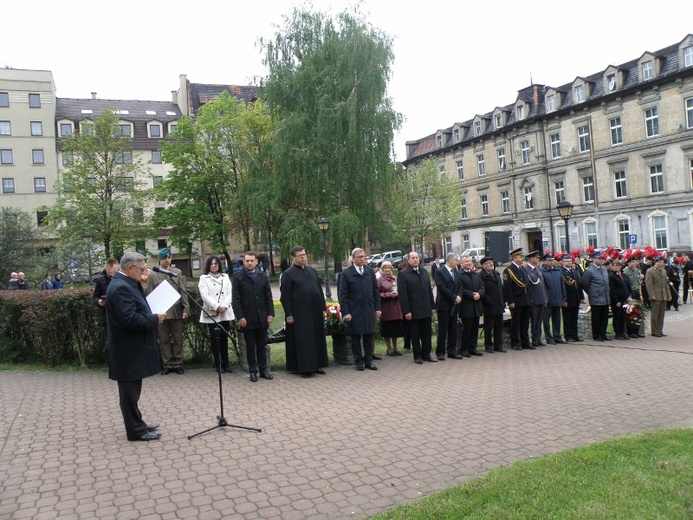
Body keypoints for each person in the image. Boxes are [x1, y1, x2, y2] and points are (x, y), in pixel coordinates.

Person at [106, 251, 166, 442]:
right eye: (142, 268)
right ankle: (135, 431)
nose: (145, 271)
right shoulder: (120, 287)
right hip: (127, 350)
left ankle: (138, 423)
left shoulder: (127, 283)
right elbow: (129, 319)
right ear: (130, 268)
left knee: (133, 391)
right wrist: (154, 319)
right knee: (129, 394)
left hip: (131, 349)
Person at [280, 245, 329, 375]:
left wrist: (323, 307)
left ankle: (318, 364)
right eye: (300, 255)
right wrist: (289, 314)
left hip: (315, 312)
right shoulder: (288, 274)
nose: (303, 257)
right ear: (293, 258)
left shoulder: (312, 271)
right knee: (304, 340)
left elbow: (319, 290)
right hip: (300, 313)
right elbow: (285, 297)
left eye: (304, 254)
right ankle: (305, 367)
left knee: (317, 338)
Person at [146, 248, 190, 375]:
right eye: (165, 258)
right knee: (164, 339)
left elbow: (183, 291)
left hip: (176, 310)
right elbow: (149, 293)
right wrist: (151, 312)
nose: (167, 260)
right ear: (159, 259)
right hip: (160, 312)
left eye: (169, 258)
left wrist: (186, 308)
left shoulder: (176, 272)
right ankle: (167, 364)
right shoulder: (153, 275)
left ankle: (178, 363)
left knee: (178, 339)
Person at [232, 251, 275, 381]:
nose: (249, 263)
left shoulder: (262, 276)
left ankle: (264, 370)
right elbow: (236, 300)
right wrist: (240, 317)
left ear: (256, 262)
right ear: (243, 262)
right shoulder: (238, 277)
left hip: (262, 316)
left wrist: (270, 313)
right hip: (247, 318)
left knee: (261, 345)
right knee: (250, 347)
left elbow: (268, 296)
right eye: (247, 261)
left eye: (252, 260)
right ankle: (253, 371)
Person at [339, 248, 381, 371]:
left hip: (368, 308)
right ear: (353, 259)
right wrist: (346, 312)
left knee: (369, 335)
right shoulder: (347, 274)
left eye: (363, 256)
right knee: (356, 336)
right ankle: (359, 361)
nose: (362, 259)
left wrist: (377, 308)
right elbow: (343, 295)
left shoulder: (369, 271)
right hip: (354, 310)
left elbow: (375, 291)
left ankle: (368, 360)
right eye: (359, 257)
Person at [397, 251, 436, 364]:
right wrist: (406, 311)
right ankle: (417, 355)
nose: (415, 260)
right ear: (408, 260)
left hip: (426, 308)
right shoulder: (404, 274)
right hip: (413, 310)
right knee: (415, 334)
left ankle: (427, 354)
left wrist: (432, 306)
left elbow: (429, 290)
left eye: (417, 258)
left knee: (427, 333)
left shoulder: (424, 271)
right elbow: (403, 295)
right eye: (413, 258)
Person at [199, 255, 235, 374]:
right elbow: (204, 295)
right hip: (213, 312)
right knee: (215, 339)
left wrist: (224, 305)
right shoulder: (204, 278)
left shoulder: (225, 277)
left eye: (216, 264)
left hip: (225, 311)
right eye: (211, 264)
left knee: (224, 338)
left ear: (219, 265)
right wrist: (217, 306)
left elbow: (230, 292)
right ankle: (218, 364)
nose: (214, 266)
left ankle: (226, 363)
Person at [434, 252, 464, 360]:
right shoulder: (439, 272)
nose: (457, 262)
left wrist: (459, 296)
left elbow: (460, 285)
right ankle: (440, 351)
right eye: (456, 260)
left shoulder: (456, 272)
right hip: (444, 304)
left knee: (453, 328)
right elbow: (442, 287)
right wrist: (453, 297)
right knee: (443, 329)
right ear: (450, 260)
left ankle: (452, 351)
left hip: (455, 304)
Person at [503, 248, 532, 350]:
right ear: (515, 258)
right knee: (516, 323)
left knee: (525, 322)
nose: (522, 258)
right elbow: (508, 287)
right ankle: (515, 342)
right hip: (516, 300)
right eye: (521, 257)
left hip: (525, 299)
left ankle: (525, 342)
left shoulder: (522, 269)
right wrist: (510, 301)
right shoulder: (509, 270)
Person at [458, 254, 485, 356]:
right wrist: (471, 295)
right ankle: (464, 349)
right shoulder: (459, 275)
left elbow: (482, 286)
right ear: (461, 264)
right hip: (466, 306)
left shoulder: (475, 274)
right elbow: (461, 289)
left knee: (474, 329)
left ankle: (473, 348)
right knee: (467, 329)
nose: (469, 263)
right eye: (466, 261)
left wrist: (479, 294)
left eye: (470, 261)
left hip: (476, 306)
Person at [581, 251, 611, 341]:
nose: (601, 260)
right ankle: (596, 335)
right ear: (593, 259)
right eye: (598, 258)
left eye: (601, 258)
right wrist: (592, 292)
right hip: (596, 297)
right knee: (596, 317)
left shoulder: (603, 269)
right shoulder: (589, 271)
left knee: (604, 317)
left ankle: (603, 334)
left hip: (605, 297)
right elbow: (585, 284)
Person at [479, 256, 506, 353]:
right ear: (483, 265)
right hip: (489, 305)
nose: (491, 264)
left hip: (498, 303)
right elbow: (481, 290)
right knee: (488, 327)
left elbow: (501, 287)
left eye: (492, 263)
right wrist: (487, 300)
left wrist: (504, 299)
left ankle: (498, 345)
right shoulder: (481, 276)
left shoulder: (496, 273)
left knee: (499, 327)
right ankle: (488, 345)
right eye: (488, 263)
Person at [377, 261, 404, 356]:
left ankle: (396, 348)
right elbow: (377, 294)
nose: (387, 270)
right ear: (382, 269)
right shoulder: (379, 280)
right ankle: (389, 349)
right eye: (385, 268)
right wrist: (388, 295)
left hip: (396, 307)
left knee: (395, 329)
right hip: (386, 308)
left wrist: (398, 294)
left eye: (389, 268)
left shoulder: (395, 278)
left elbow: (401, 289)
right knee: (387, 329)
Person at [541, 254, 566, 344]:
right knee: (546, 320)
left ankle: (557, 336)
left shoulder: (557, 271)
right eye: (549, 260)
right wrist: (545, 299)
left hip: (557, 299)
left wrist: (563, 297)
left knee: (557, 320)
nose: (551, 262)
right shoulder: (542, 272)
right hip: (548, 300)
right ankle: (549, 337)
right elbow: (543, 287)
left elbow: (562, 285)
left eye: (552, 260)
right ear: (545, 262)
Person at [524, 251, 547, 347]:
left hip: (540, 299)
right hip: (533, 300)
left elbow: (542, 285)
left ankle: (538, 339)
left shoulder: (538, 269)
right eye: (537, 258)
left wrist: (545, 298)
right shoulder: (526, 270)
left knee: (539, 320)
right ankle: (533, 340)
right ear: (531, 259)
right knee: (534, 320)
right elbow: (527, 286)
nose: (538, 259)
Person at [645, 256, 671, 337]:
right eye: (658, 262)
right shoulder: (650, 271)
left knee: (661, 314)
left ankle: (660, 330)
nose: (659, 264)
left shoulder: (663, 271)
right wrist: (652, 295)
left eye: (661, 262)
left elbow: (666, 284)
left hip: (663, 295)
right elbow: (649, 285)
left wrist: (668, 294)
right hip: (656, 295)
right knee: (655, 314)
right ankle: (655, 331)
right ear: (655, 262)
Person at [93, 259, 120, 336]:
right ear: (106, 269)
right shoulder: (100, 281)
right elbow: (95, 296)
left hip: (122, 315)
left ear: (118, 268)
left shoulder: (123, 279)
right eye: (110, 272)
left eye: (114, 272)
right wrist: (99, 302)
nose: (112, 275)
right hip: (107, 317)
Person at [561, 255, 585, 342]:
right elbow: (563, 287)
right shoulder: (562, 272)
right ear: (563, 262)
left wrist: (581, 297)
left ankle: (575, 335)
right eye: (567, 261)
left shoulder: (574, 271)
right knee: (567, 318)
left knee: (574, 318)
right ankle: (568, 335)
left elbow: (578, 285)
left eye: (570, 261)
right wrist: (564, 300)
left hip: (576, 298)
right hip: (568, 298)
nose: (569, 263)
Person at [609, 259, 632, 340]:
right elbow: (612, 289)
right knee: (617, 316)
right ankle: (618, 333)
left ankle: (623, 332)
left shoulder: (624, 275)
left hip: (624, 299)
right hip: (617, 300)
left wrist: (629, 295)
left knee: (623, 316)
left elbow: (628, 285)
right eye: (615, 265)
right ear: (612, 266)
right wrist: (616, 300)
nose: (617, 267)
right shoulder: (611, 276)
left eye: (618, 265)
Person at [623, 256, 645, 338]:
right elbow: (625, 285)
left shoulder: (637, 271)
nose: (634, 263)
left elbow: (639, 284)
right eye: (632, 262)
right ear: (628, 263)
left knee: (639, 312)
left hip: (636, 292)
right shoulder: (625, 272)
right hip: (630, 292)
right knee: (631, 312)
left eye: (635, 261)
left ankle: (638, 330)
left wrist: (641, 295)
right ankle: (631, 331)